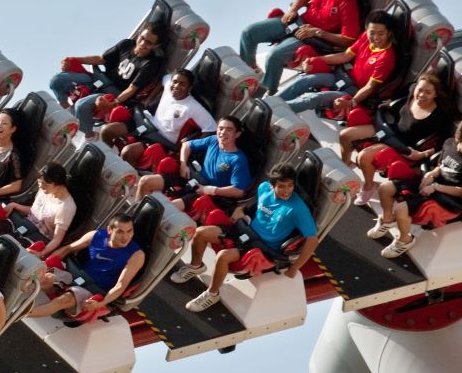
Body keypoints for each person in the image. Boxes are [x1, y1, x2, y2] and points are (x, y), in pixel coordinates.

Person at [171, 164, 318, 313]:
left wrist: (295, 267)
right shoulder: (264, 188)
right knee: (201, 232)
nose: (287, 191)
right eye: (281, 186)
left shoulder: (298, 209)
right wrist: (239, 210)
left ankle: (212, 294)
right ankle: (196, 266)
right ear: (272, 185)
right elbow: (252, 205)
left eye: (290, 186)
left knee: (223, 256)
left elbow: (312, 240)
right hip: (245, 231)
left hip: (260, 247)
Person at [366, 117, 462, 259]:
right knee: (385, 188)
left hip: (444, 195)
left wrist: (435, 187)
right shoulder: (449, 144)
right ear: (458, 138)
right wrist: (431, 174)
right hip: (431, 184)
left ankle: (405, 240)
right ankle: (388, 220)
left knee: (401, 208)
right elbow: (441, 166)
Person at [239, 0, 361, 91]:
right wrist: (293, 9)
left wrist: (317, 32)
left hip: (309, 38)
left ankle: (264, 94)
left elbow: (348, 39)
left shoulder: (349, 5)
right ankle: (249, 76)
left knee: (274, 57)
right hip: (296, 22)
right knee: (248, 33)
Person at [348, 72, 453, 204]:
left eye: (428, 92)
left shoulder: (439, 116)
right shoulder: (411, 95)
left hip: (407, 150)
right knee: (353, 137)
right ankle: (367, 181)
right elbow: (399, 107)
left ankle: (368, 187)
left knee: (364, 157)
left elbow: (442, 142)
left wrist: (424, 154)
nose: (421, 95)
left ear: (436, 94)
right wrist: (388, 104)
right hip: (392, 136)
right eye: (419, 90)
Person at [135, 116, 253, 230]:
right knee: (145, 181)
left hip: (206, 193)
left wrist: (209, 190)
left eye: (229, 130)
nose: (223, 132)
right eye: (221, 128)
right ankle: (134, 217)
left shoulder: (238, 159)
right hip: (190, 178)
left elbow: (239, 191)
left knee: (166, 208)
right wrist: (183, 164)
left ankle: (141, 229)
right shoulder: (213, 140)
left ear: (237, 134)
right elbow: (187, 145)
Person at [52, 24, 167, 133]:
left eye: (148, 43)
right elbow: (101, 58)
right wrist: (74, 59)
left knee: (81, 105)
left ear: (155, 45)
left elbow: (132, 89)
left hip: (113, 93)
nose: (142, 43)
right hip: (99, 80)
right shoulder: (126, 44)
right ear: (140, 33)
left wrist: (115, 102)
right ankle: (66, 111)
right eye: (142, 38)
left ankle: (88, 135)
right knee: (56, 80)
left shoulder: (150, 64)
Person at [277, 12, 398, 115]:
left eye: (381, 34)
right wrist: (316, 59)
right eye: (372, 32)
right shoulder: (365, 37)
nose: (375, 37)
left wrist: (352, 102)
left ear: (389, 33)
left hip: (353, 91)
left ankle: (274, 111)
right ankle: (273, 101)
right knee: (305, 80)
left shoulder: (386, 58)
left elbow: (370, 87)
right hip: (343, 77)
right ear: (367, 29)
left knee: (314, 99)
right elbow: (345, 56)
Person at [30, 214, 146, 320]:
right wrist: (43, 264)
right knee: (45, 277)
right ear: (109, 230)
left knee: (65, 299)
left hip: (93, 290)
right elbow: (68, 249)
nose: (125, 237)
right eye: (120, 232)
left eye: (129, 231)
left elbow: (121, 285)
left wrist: (101, 304)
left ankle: (20, 314)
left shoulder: (136, 255)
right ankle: (19, 289)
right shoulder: (96, 235)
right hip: (77, 277)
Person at [100, 69, 217, 168]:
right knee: (107, 131)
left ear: (189, 87)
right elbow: (164, 78)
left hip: (160, 140)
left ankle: (129, 177)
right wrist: (149, 99)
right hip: (146, 124)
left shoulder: (194, 107)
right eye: (175, 82)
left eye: (182, 84)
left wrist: (192, 148)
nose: (176, 86)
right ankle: (106, 161)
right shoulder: (168, 82)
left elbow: (211, 127)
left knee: (128, 152)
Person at [0, 163, 78, 247]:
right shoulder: (45, 190)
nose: (40, 186)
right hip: (26, 224)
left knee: (6, 246)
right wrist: (14, 205)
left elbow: (57, 240)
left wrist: (42, 253)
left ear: (58, 184)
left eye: (45, 184)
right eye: (40, 182)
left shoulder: (66, 207)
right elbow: (34, 211)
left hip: (39, 238)